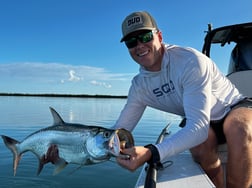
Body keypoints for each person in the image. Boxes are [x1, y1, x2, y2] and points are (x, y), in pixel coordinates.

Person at [114, 11, 252, 188]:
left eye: (146, 36)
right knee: (200, 146)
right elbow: (119, 130)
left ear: (159, 36)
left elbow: (198, 128)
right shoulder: (139, 86)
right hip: (202, 118)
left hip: (233, 107)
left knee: (240, 128)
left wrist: (151, 152)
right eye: (131, 42)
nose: (139, 45)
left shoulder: (189, 60)